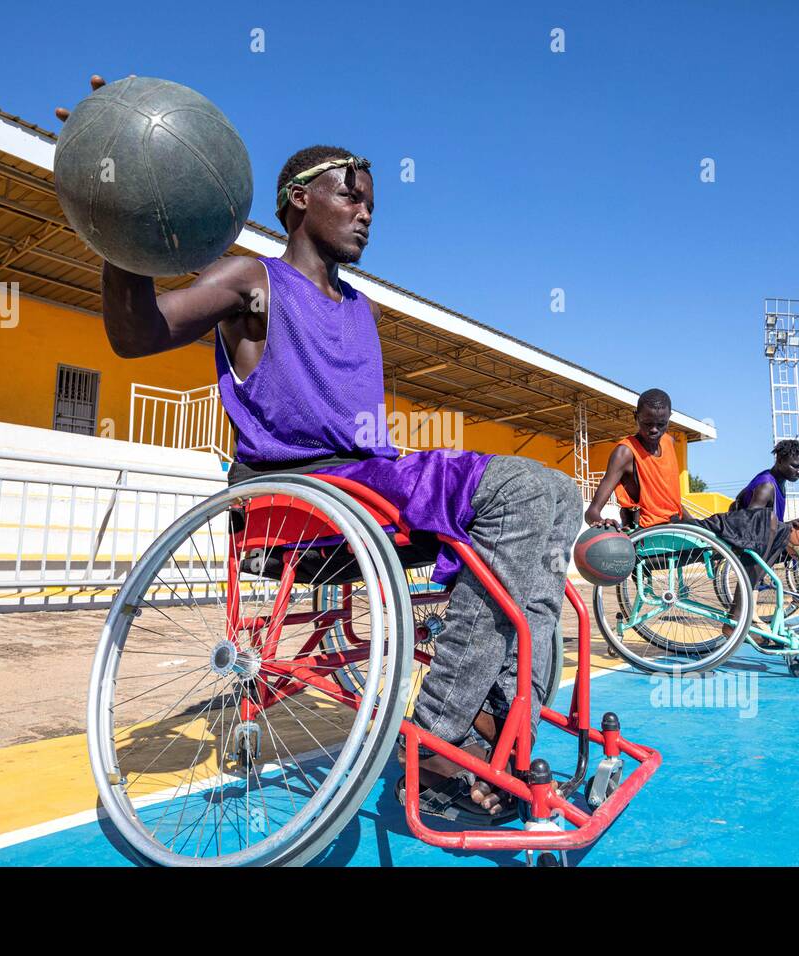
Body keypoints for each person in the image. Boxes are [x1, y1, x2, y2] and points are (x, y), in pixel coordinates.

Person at [82, 118, 580, 819]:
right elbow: (136, 334)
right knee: (523, 488)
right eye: (349, 196)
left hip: (369, 483)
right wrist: (123, 213)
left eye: (371, 202)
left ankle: (502, 713)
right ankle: (439, 734)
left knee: (559, 491)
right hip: (304, 494)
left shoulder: (360, 307)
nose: (365, 212)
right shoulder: (252, 280)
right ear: (296, 202)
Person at [585, 388, 690, 529]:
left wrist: (697, 524)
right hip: (650, 534)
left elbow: (670, 502)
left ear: (669, 418)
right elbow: (591, 512)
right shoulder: (624, 453)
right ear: (636, 417)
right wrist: (601, 523)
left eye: (661, 424)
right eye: (648, 423)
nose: (654, 429)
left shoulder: (668, 442)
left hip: (678, 527)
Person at [730, 439, 799, 519]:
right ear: (779, 461)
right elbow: (751, 522)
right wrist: (786, 526)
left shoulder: (778, 481)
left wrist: (786, 526)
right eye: (795, 466)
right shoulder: (767, 486)